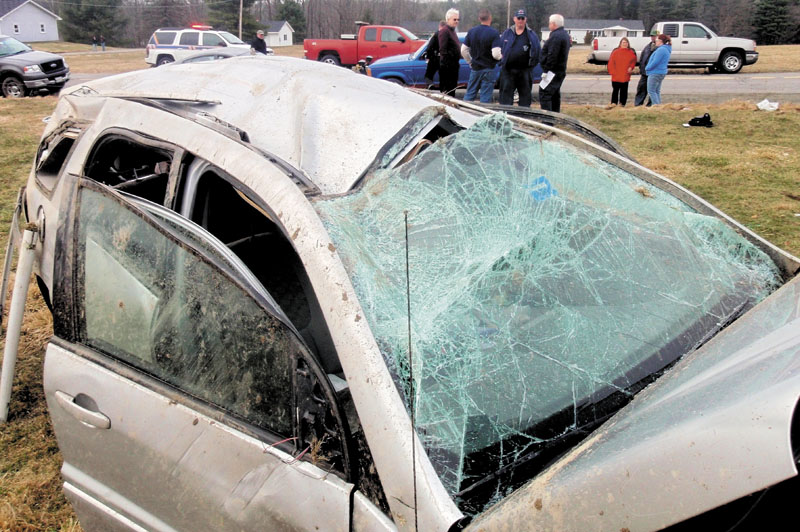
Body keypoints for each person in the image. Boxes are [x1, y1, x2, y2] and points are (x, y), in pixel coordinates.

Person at [497, 9, 540, 107]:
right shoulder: (507, 33)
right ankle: (505, 118)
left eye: (522, 18)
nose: (520, 20)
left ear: (525, 19)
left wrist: (531, 66)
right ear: (514, 19)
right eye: (518, 18)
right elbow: (499, 48)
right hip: (508, 71)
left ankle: (523, 118)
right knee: (505, 98)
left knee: (525, 97)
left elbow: (537, 51)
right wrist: (501, 62)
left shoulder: (531, 35)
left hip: (525, 71)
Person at [461, 9, 502, 103]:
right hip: (488, 69)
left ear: (479, 18)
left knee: (470, 94)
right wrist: (501, 57)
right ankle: (483, 116)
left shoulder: (472, 31)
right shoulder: (494, 33)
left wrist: (470, 61)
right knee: (485, 98)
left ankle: (464, 113)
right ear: (490, 18)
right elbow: (495, 54)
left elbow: (463, 50)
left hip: (475, 68)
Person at [539, 14, 570, 113]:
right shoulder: (565, 34)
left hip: (552, 71)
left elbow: (552, 54)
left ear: (553, 24)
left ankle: (547, 120)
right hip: (560, 70)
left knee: (545, 93)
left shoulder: (556, 36)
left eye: (549, 23)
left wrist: (546, 70)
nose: (549, 25)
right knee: (555, 94)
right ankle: (555, 115)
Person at [607, 37, 636, 106]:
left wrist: (631, 67)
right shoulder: (615, 52)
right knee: (615, 90)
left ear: (628, 44)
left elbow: (633, 62)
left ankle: (622, 104)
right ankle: (614, 103)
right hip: (616, 75)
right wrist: (612, 72)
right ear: (620, 44)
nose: (625, 44)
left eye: (626, 42)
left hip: (625, 75)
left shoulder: (631, 52)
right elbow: (611, 63)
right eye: (623, 42)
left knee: (624, 91)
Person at [438, 8, 461, 96]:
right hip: (447, 69)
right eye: (454, 19)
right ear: (448, 20)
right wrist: (449, 65)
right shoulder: (444, 31)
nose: (456, 21)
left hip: (454, 67)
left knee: (452, 91)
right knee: (448, 94)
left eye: (458, 19)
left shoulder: (452, 31)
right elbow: (443, 50)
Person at [646, 34, 672, 105]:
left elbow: (655, 61)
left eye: (657, 40)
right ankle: (658, 105)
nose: (655, 42)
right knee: (656, 91)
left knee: (651, 90)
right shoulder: (666, 49)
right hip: (661, 72)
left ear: (661, 41)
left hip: (655, 72)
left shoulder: (661, 50)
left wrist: (647, 68)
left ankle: (656, 105)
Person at [635, 29, 658, 107]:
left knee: (652, 90)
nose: (653, 38)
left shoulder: (660, 48)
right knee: (641, 89)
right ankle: (638, 105)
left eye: (655, 36)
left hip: (653, 73)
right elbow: (642, 58)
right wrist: (641, 69)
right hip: (644, 72)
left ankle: (651, 105)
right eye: (652, 36)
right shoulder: (647, 47)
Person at [424, 21, 446, 85]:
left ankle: (430, 87)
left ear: (439, 26)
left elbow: (429, 47)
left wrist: (428, 57)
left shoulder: (436, 35)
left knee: (429, 76)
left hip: (435, 58)